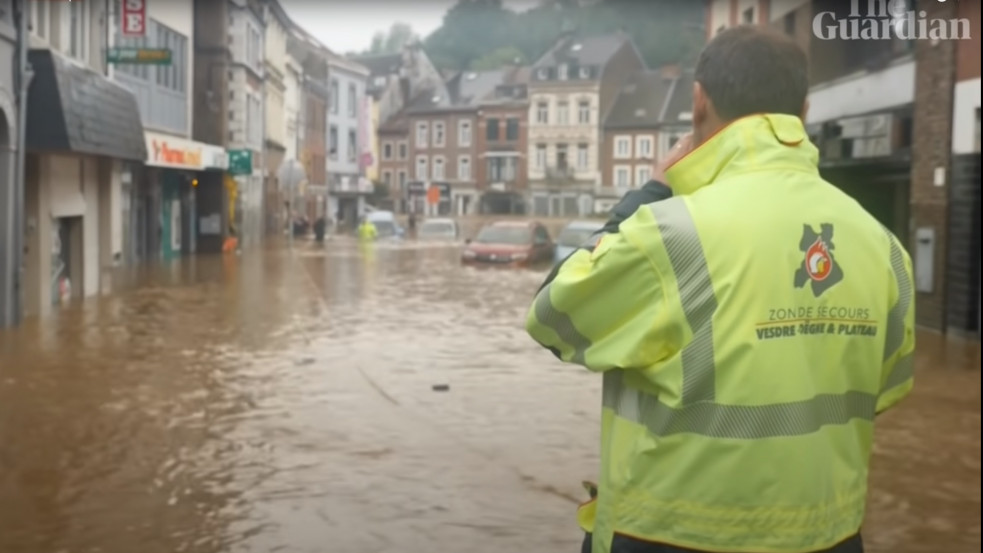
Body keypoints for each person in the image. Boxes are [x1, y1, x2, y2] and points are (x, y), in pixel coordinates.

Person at [525, 25, 915, 553]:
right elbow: (884, 389)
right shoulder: (883, 246)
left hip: (670, 536)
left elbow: (553, 316)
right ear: (802, 111)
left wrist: (652, 189)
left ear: (698, 101)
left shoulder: (669, 234)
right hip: (831, 536)